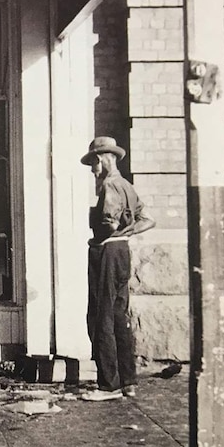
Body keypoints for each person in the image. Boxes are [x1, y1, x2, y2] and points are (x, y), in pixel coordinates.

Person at [79, 136, 155, 402]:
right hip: (123, 251)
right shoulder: (127, 185)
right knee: (120, 316)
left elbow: (109, 222)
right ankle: (127, 381)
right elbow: (148, 220)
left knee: (101, 316)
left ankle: (107, 385)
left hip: (107, 252)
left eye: (93, 164)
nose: (92, 169)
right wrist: (127, 230)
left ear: (101, 159)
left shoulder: (110, 185)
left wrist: (113, 227)